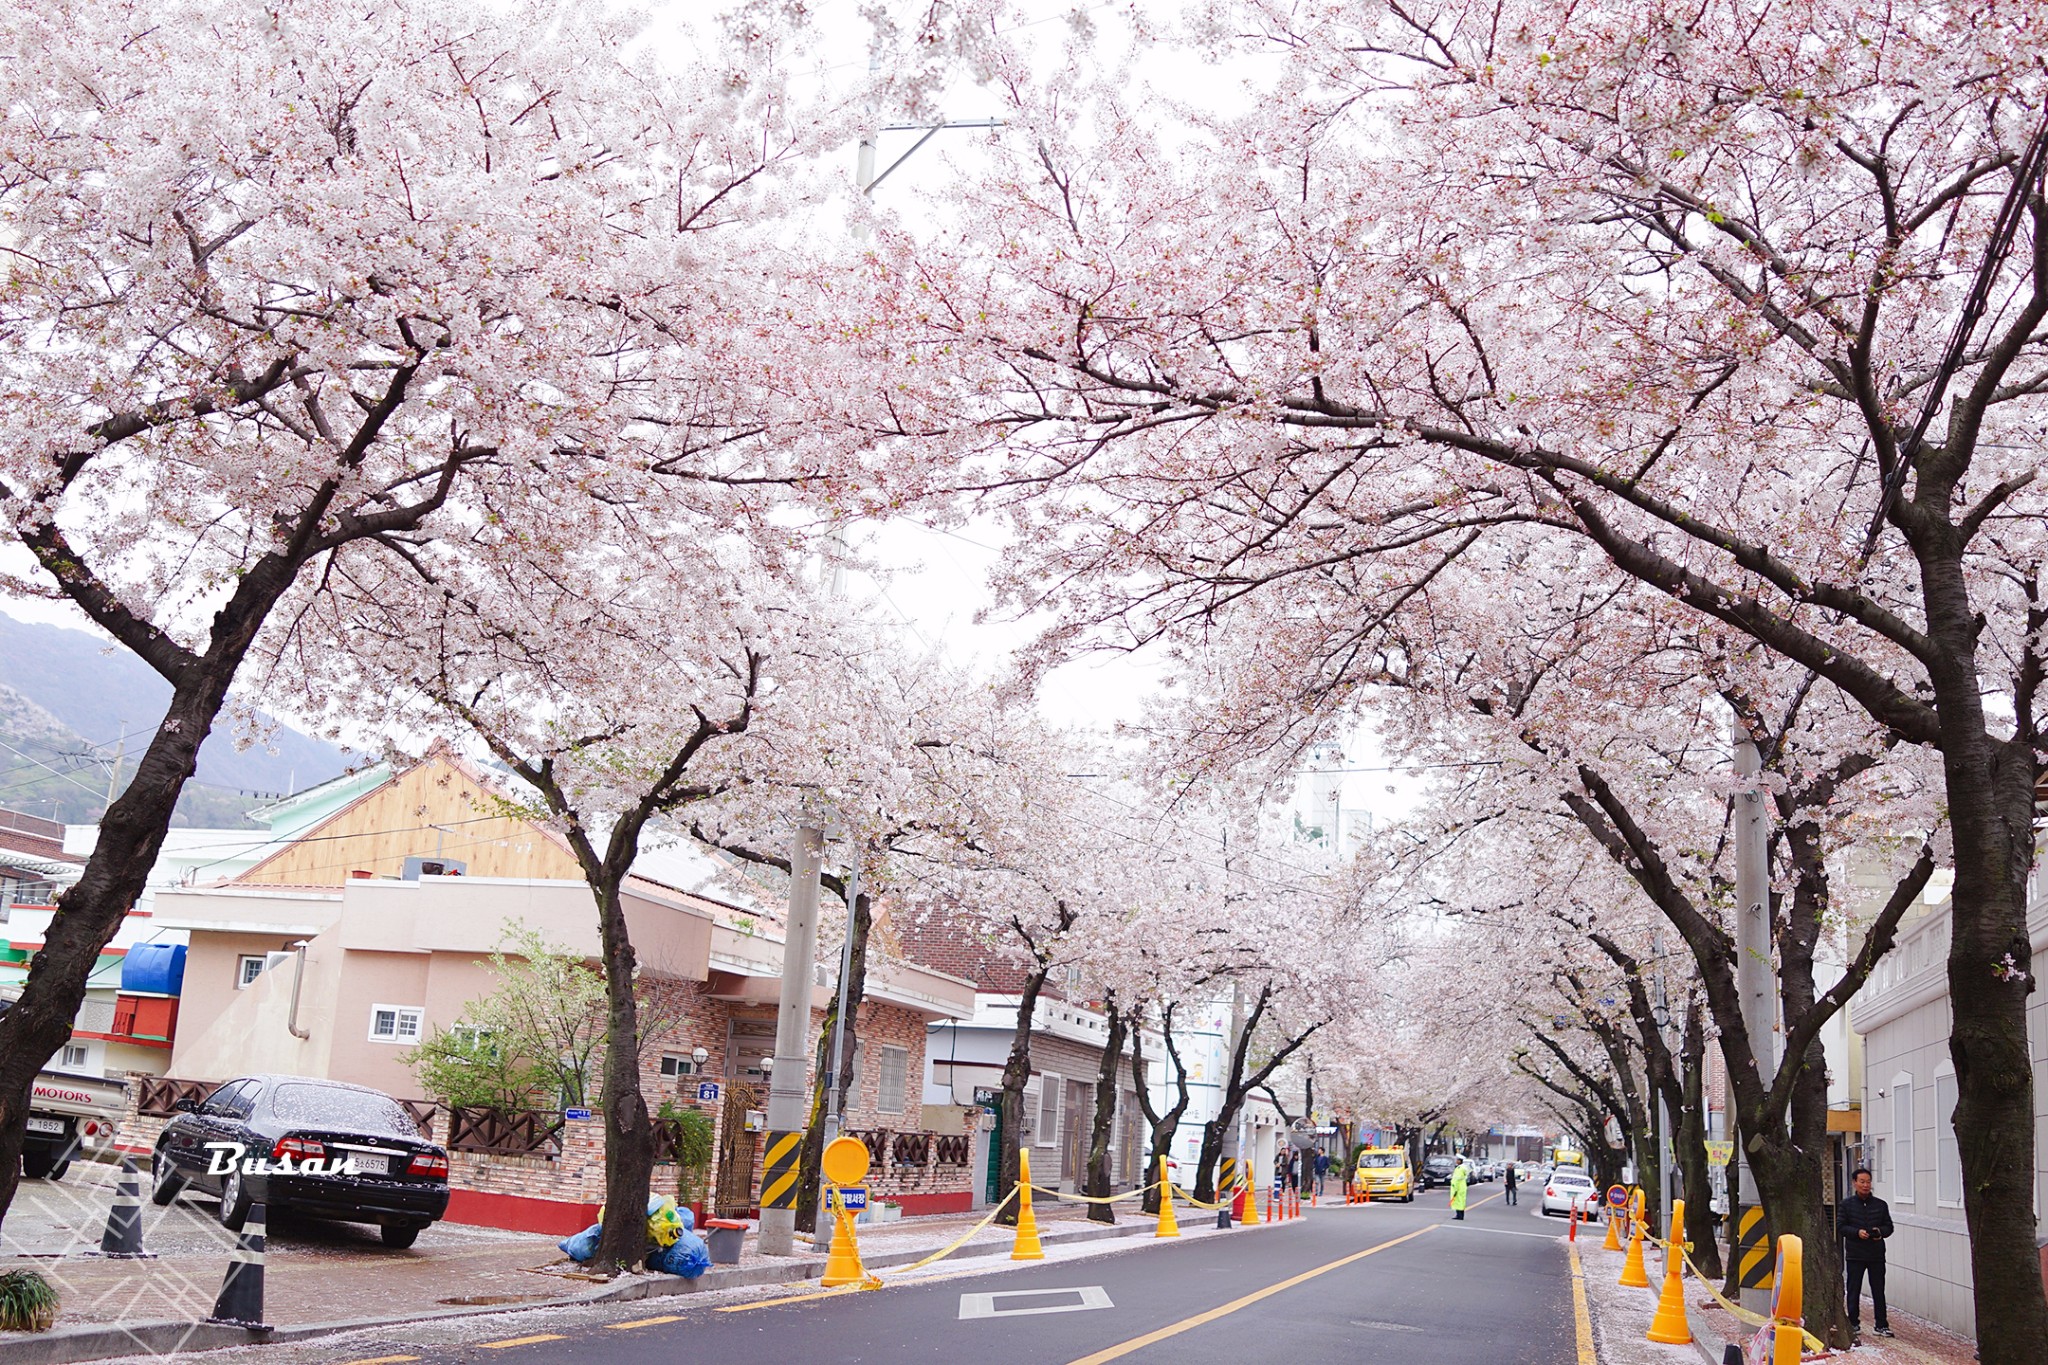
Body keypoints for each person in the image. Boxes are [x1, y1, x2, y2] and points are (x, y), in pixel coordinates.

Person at [1840, 1167, 1894, 1339]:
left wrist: (1879, 1232)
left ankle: (1881, 1324)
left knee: (1878, 1290)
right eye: (1862, 1182)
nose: (1865, 1185)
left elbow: (1889, 1227)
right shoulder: (1846, 1205)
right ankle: (1853, 1323)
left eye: (1868, 1182)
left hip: (1876, 1254)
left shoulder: (1880, 1205)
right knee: (1853, 1289)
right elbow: (1841, 1226)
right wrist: (1857, 1233)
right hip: (1855, 1254)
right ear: (1854, 1183)